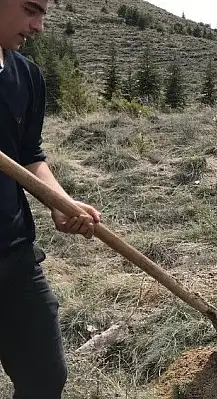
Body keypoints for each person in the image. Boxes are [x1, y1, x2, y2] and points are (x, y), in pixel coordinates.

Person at [1, 1, 103, 397]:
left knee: (45, 377)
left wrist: (59, 202)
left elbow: (30, 156)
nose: (39, 26)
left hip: (14, 255)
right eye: (30, 8)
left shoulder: (26, 76)